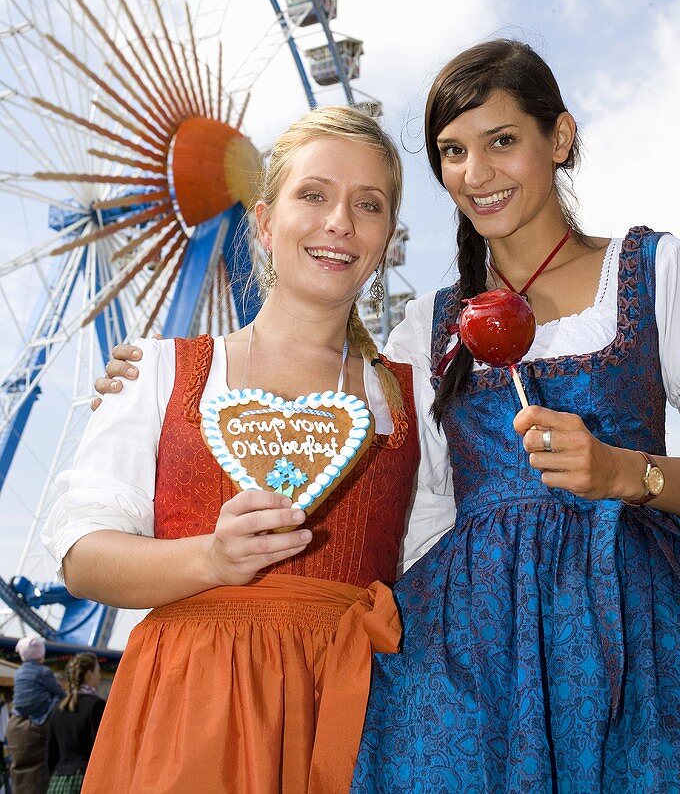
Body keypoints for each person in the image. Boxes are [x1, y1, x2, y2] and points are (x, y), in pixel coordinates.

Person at [100, 39, 680, 792]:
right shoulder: (425, 329)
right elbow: (397, 493)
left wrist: (628, 472)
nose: (476, 174)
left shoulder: (652, 267)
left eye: (502, 141)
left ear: (559, 138)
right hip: (477, 648)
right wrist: (161, 380)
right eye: (452, 152)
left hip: (635, 622)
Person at [43, 106, 429, 794]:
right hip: (191, 714)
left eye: (367, 205)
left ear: (386, 238)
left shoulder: (409, 401)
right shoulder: (158, 373)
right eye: (313, 194)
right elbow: (82, 558)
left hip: (357, 717)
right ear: (262, 221)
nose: (339, 220)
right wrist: (211, 558)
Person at [5, 636, 64, 794]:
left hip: (18, 718)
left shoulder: (18, 673)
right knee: (57, 698)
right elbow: (60, 693)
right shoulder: (44, 672)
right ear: (40, 654)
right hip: (40, 718)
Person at [45, 653, 105, 794]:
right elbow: (101, 750)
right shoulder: (97, 706)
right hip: (84, 780)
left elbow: (50, 753)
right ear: (89, 674)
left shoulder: (58, 708)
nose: (100, 676)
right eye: (97, 671)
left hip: (57, 782)